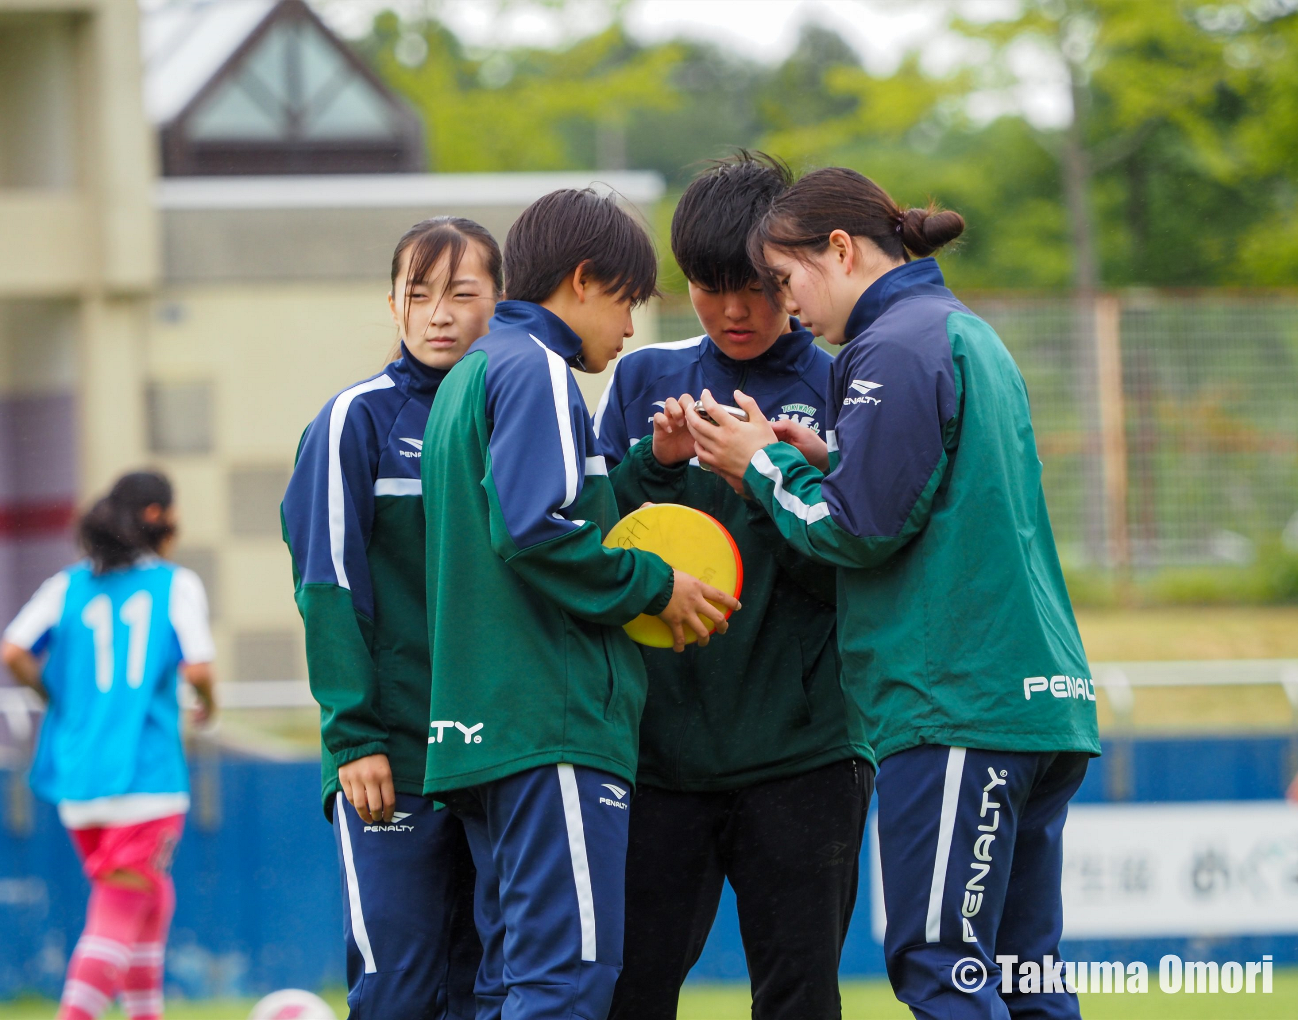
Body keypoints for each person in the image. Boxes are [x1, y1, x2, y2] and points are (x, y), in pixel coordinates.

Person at [687, 167, 1100, 1020]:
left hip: (956, 707)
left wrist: (761, 465)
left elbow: (856, 530)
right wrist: (832, 459)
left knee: (943, 966)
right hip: (1035, 703)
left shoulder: (891, 344)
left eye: (785, 278)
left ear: (839, 250)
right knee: (1025, 976)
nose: (784, 303)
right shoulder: (960, 330)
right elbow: (939, 496)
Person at [418, 188, 740, 1020]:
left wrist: (645, 469)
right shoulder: (536, 369)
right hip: (550, 724)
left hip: (484, 729)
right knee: (567, 982)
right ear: (585, 279)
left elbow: (536, 519)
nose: (630, 329)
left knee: (508, 985)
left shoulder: (471, 373)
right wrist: (659, 586)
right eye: (627, 301)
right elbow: (535, 533)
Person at [595, 153, 875, 1020]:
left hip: (806, 757)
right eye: (708, 288)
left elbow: (857, 563)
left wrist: (766, 473)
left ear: (792, 272)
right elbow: (596, 551)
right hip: (658, 758)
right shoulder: (643, 379)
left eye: (755, 287)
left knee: (799, 999)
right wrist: (656, 465)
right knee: (627, 994)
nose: (732, 311)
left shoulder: (842, 382)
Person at [281, 217, 501, 1020]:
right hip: (393, 758)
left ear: (500, 302)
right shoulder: (355, 421)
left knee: (490, 990)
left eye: (462, 294)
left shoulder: (515, 416)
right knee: (398, 992)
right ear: (393, 305)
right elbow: (327, 587)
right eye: (419, 294)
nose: (438, 314)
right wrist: (355, 738)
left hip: (498, 756)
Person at [0, 471, 216, 1020]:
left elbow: (13, 651)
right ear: (157, 517)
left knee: (149, 894)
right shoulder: (174, 583)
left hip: (78, 778)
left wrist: (56, 698)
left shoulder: (65, 585)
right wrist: (207, 703)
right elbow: (198, 668)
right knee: (117, 912)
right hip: (146, 775)